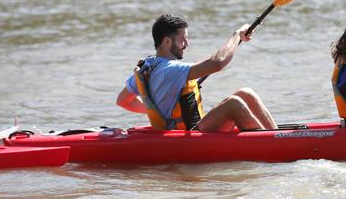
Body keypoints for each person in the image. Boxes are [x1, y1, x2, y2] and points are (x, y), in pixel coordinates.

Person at [117, 14, 277, 132]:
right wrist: (237, 36)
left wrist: (156, 110)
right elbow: (217, 62)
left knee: (246, 93)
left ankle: (277, 136)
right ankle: (274, 146)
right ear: (167, 41)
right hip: (189, 134)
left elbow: (123, 100)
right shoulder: (170, 69)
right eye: (183, 39)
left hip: (192, 127)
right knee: (234, 103)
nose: (187, 43)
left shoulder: (148, 66)